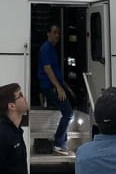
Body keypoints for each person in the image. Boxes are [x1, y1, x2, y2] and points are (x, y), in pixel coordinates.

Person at [38, 24, 75, 155]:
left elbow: (56, 71)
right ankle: (59, 144)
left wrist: (66, 86)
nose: (57, 35)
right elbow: (48, 70)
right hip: (49, 87)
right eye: (54, 32)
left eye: (58, 33)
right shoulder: (46, 49)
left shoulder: (52, 49)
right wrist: (59, 88)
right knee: (69, 113)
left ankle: (61, 142)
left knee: (70, 107)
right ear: (48, 34)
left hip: (55, 85)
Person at [0, 82, 29, 174]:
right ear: (12, 106)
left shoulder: (16, 131)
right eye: (20, 95)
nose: (24, 98)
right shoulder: (0, 135)